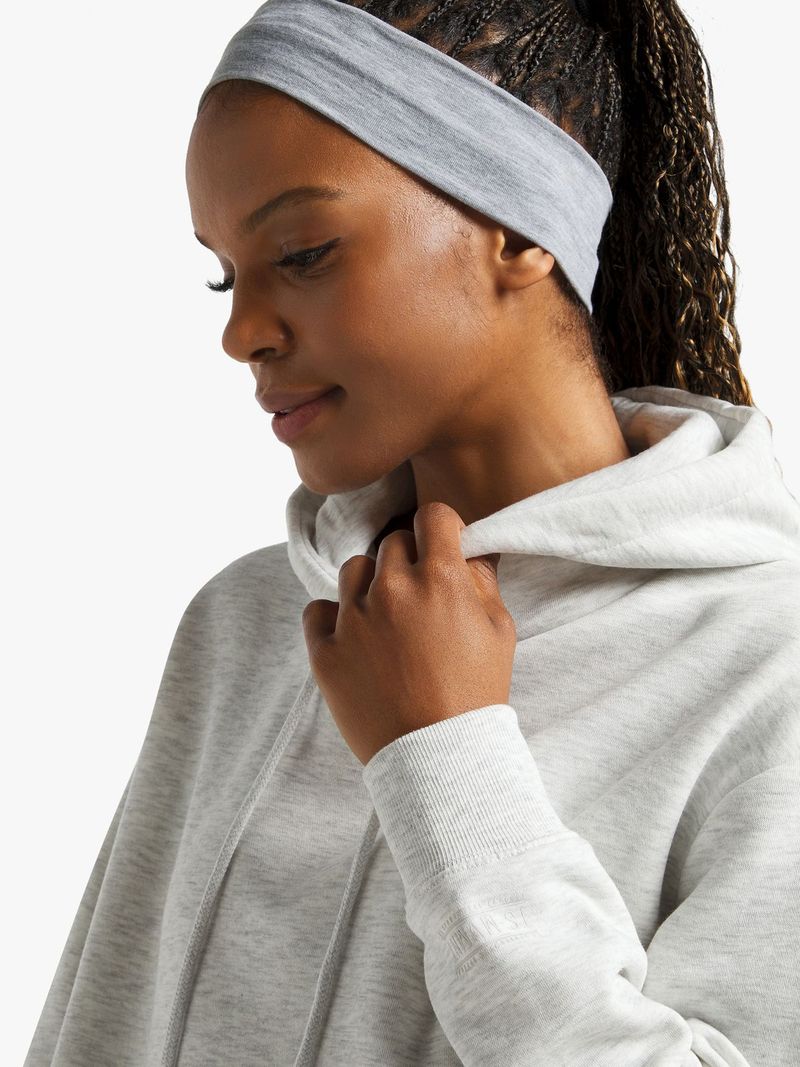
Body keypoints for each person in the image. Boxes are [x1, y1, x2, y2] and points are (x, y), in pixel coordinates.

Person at [24, 0, 800, 1064]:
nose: (240, 332)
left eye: (303, 251)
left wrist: (444, 756)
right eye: (224, 273)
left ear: (516, 225)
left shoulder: (768, 666)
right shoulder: (250, 621)